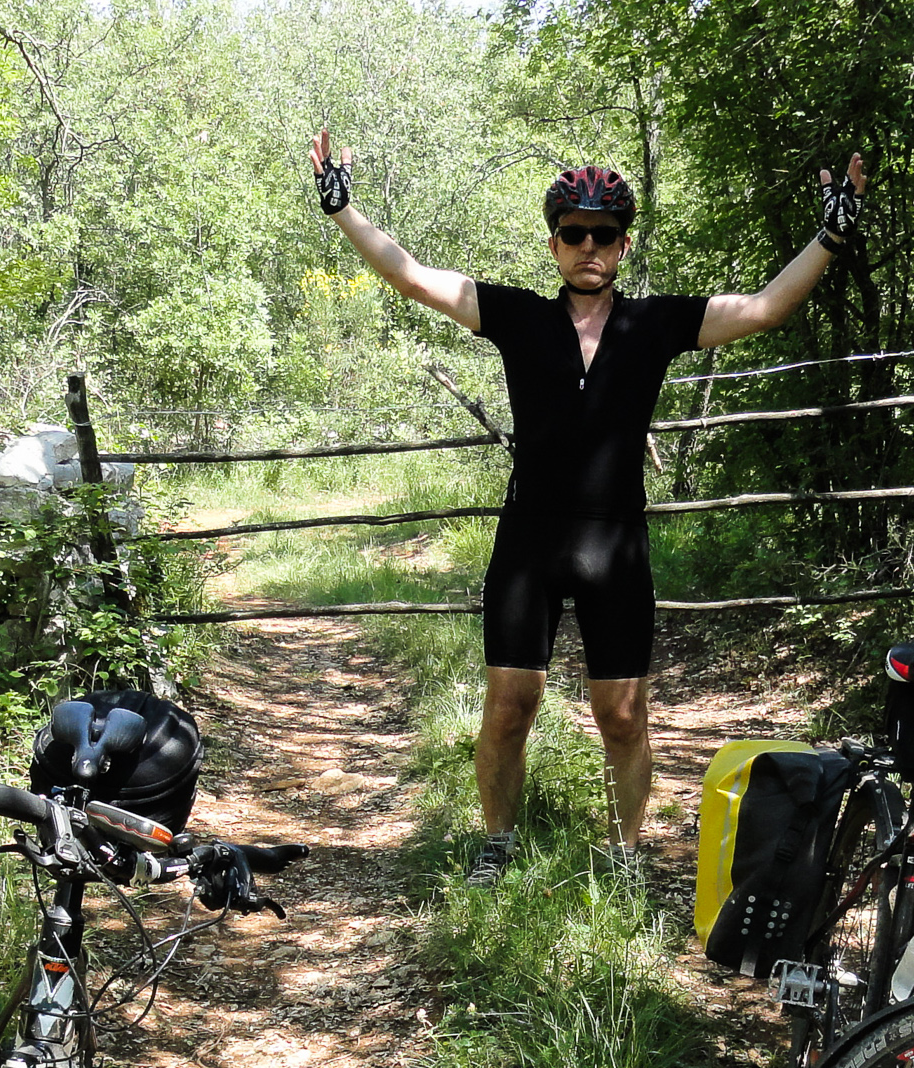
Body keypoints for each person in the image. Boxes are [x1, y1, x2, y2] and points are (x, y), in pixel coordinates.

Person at [309, 133, 868, 886]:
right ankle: (498, 844)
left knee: (624, 715)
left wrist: (830, 236)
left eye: (603, 234)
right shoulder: (517, 317)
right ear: (554, 244)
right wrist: (343, 209)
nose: (588, 246)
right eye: (574, 233)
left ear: (623, 244)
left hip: (616, 549)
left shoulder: (657, 324)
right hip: (528, 544)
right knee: (509, 707)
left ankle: (624, 855)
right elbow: (411, 277)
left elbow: (766, 308)